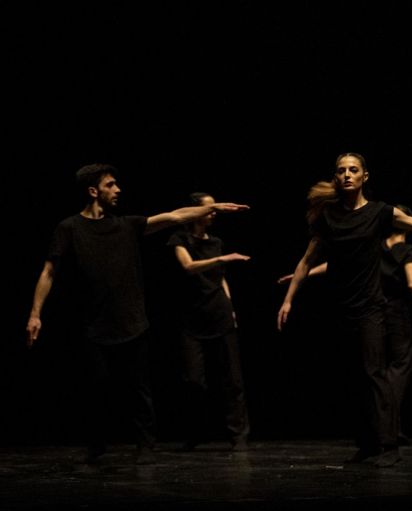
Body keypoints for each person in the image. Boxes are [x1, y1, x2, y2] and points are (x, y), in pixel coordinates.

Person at [277, 153, 412, 468]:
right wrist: (288, 299)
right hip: (342, 309)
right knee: (353, 379)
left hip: (371, 308)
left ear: (365, 176)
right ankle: (366, 445)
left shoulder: (380, 213)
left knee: (374, 374)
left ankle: (388, 446)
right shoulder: (329, 217)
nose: (347, 175)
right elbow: (307, 260)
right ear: (335, 178)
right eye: (341, 171)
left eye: (353, 170)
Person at [25, 163, 249, 464]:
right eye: (111, 185)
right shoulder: (69, 228)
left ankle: (146, 446)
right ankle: (97, 443)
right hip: (94, 323)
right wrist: (35, 314)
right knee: (97, 387)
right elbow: (49, 271)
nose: (118, 190)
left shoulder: (127, 224)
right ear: (94, 191)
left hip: (133, 321)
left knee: (139, 389)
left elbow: (174, 216)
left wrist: (216, 207)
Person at [277, 204, 412, 446]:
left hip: (370, 309)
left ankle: (380, 425)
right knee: (397, 367)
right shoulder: (406, 250)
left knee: (372, 369)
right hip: (392, 311)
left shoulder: (376, 245)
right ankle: (388, 422)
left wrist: (305, 275)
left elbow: (336, 263)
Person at [167, 192, 251, 452]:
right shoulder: (179, 238)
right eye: (209, 208)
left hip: (220, 313)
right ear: (195, 212)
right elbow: (188, 266)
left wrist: (230, 306)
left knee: (232, 379)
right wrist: (223, 258)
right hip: (192, 318)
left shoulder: (216, 241)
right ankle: (196, 432)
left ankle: (238, 436)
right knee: (194, 381)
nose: (214, 212)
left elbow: (220, 277)